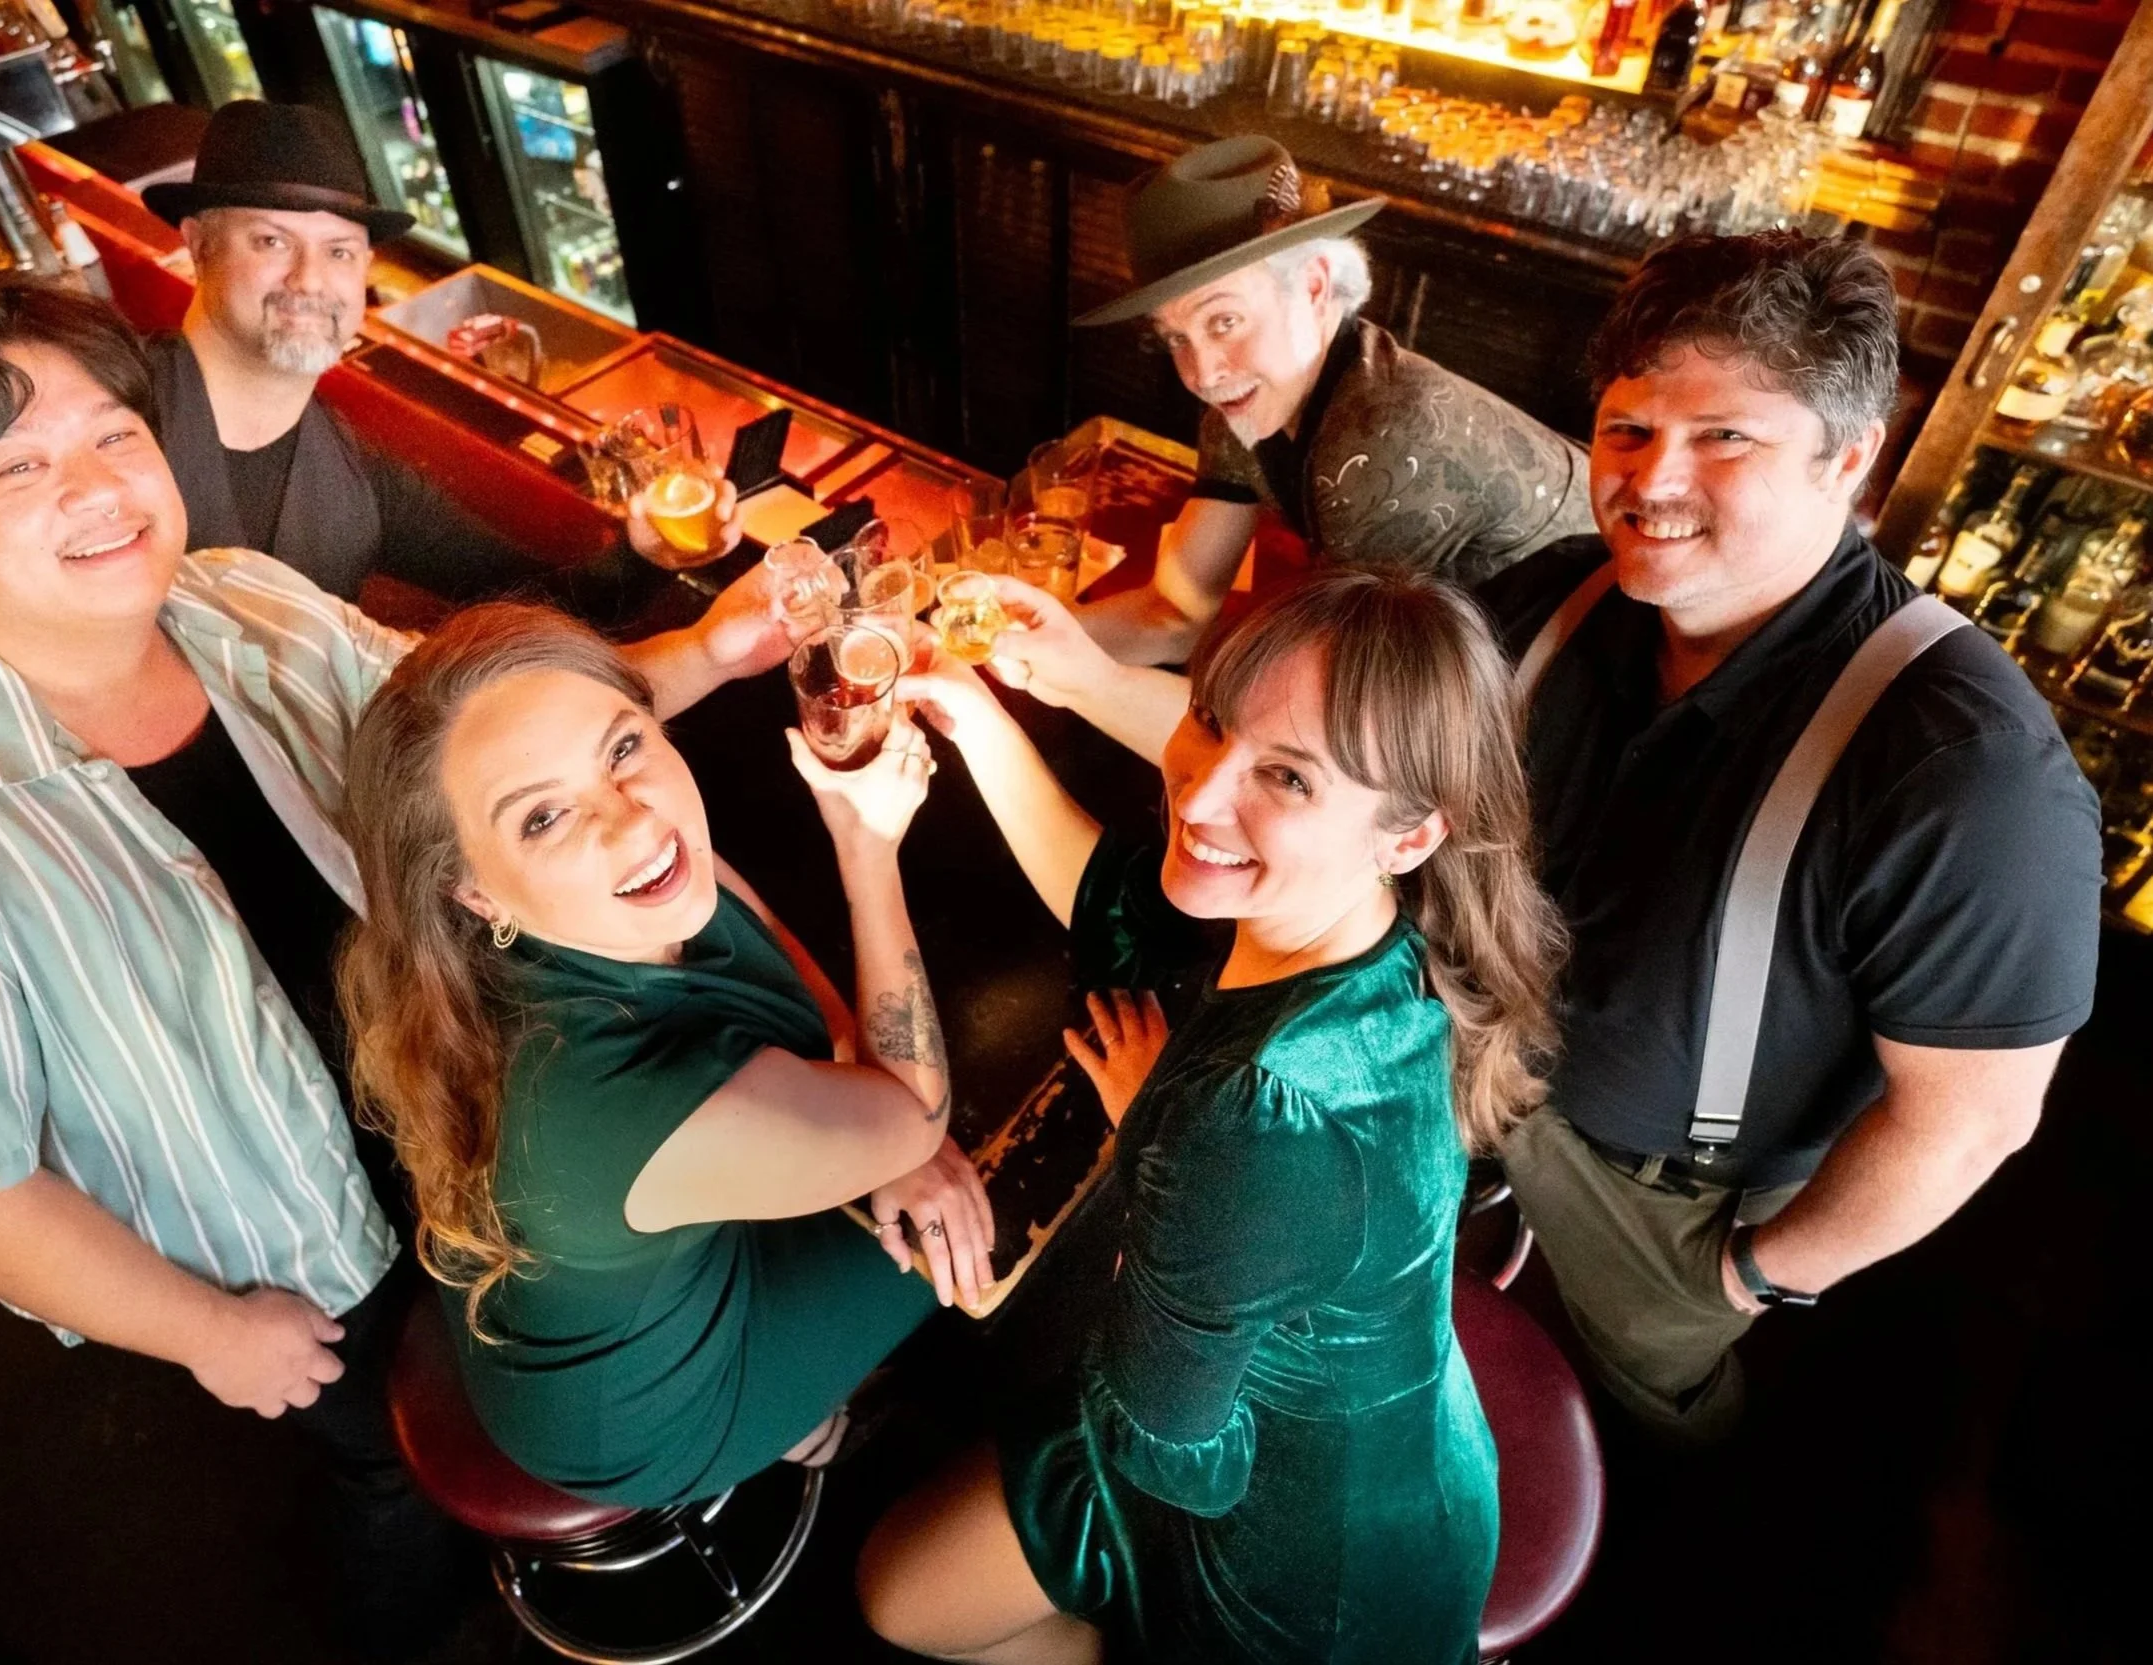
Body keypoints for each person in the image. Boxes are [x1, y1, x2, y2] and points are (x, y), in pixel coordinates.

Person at [0, 279, 784, 1653]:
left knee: (563, 1360)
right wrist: (205, 1333)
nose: (103, 491)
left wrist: (712, 646)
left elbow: (482, 747)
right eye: (20, 470)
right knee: (390, 1478)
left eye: (114, 435)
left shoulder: (240, 600)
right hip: (292, 1246)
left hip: (478, 1113)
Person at [857, 568, 1565, 1664]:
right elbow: (1131, 901)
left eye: (1284, 777)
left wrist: (1154, 1142)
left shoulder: (1248, 1117)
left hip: (1296, 1564)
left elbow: (1171, 1453)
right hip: (1408, 1446)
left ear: (1409, 834)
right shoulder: (1376, 931)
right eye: (1205, 720)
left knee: (894, 1596)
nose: (1195, 796)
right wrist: (976, 718)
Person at [1471, 232, 2104, 1441]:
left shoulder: (1963, 769)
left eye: (1723, 437)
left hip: (1662, 1218)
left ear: (1848, 459)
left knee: (1628, 1457)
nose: (1651, 479)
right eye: (1625, 429)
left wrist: (1747, 1276)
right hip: (1455, 1109)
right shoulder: (1558, 595)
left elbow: (1968, 1120)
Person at [0, 98, 729, 720]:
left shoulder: (354, 471)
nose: (313, 276)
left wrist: (640, 553)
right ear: (195, 247)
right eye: (271, 239)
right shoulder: (94, 413)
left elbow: (519, 603)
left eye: (341, 251)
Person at [337, 604, 991, 1504]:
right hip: (649, 1413)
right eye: (542, 818)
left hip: (625, 1261)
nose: (634, 823)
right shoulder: (591, 1108)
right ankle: (793, 1424)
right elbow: (919, 1112)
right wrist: (867, 850)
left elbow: (740, 916)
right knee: (988, 1176)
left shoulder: (584, 902)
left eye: (622, 749)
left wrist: (852, 1054)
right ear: (473, 891)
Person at [1071, 135, 1593, 667]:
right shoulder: (1242, 413)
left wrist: (1079, 678)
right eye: (1176, 338)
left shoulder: (1388, 434)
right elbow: (1174, 614)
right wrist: (999, 635)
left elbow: (1337, 709)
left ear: (1315, 287)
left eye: (1224, 322)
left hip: (1574, 672)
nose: (1203, 373)